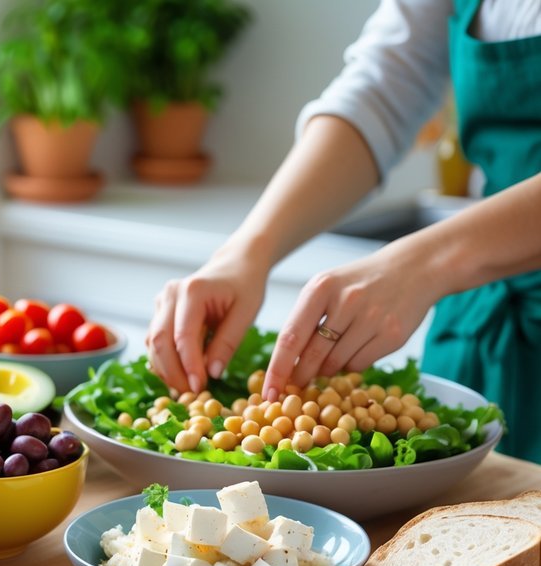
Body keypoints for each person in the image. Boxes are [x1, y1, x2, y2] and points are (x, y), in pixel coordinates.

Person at [146, 0, 541, 463]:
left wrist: (428, 262)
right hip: (486, 324)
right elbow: (384, 86)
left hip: (472, 270)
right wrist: (248, 251)